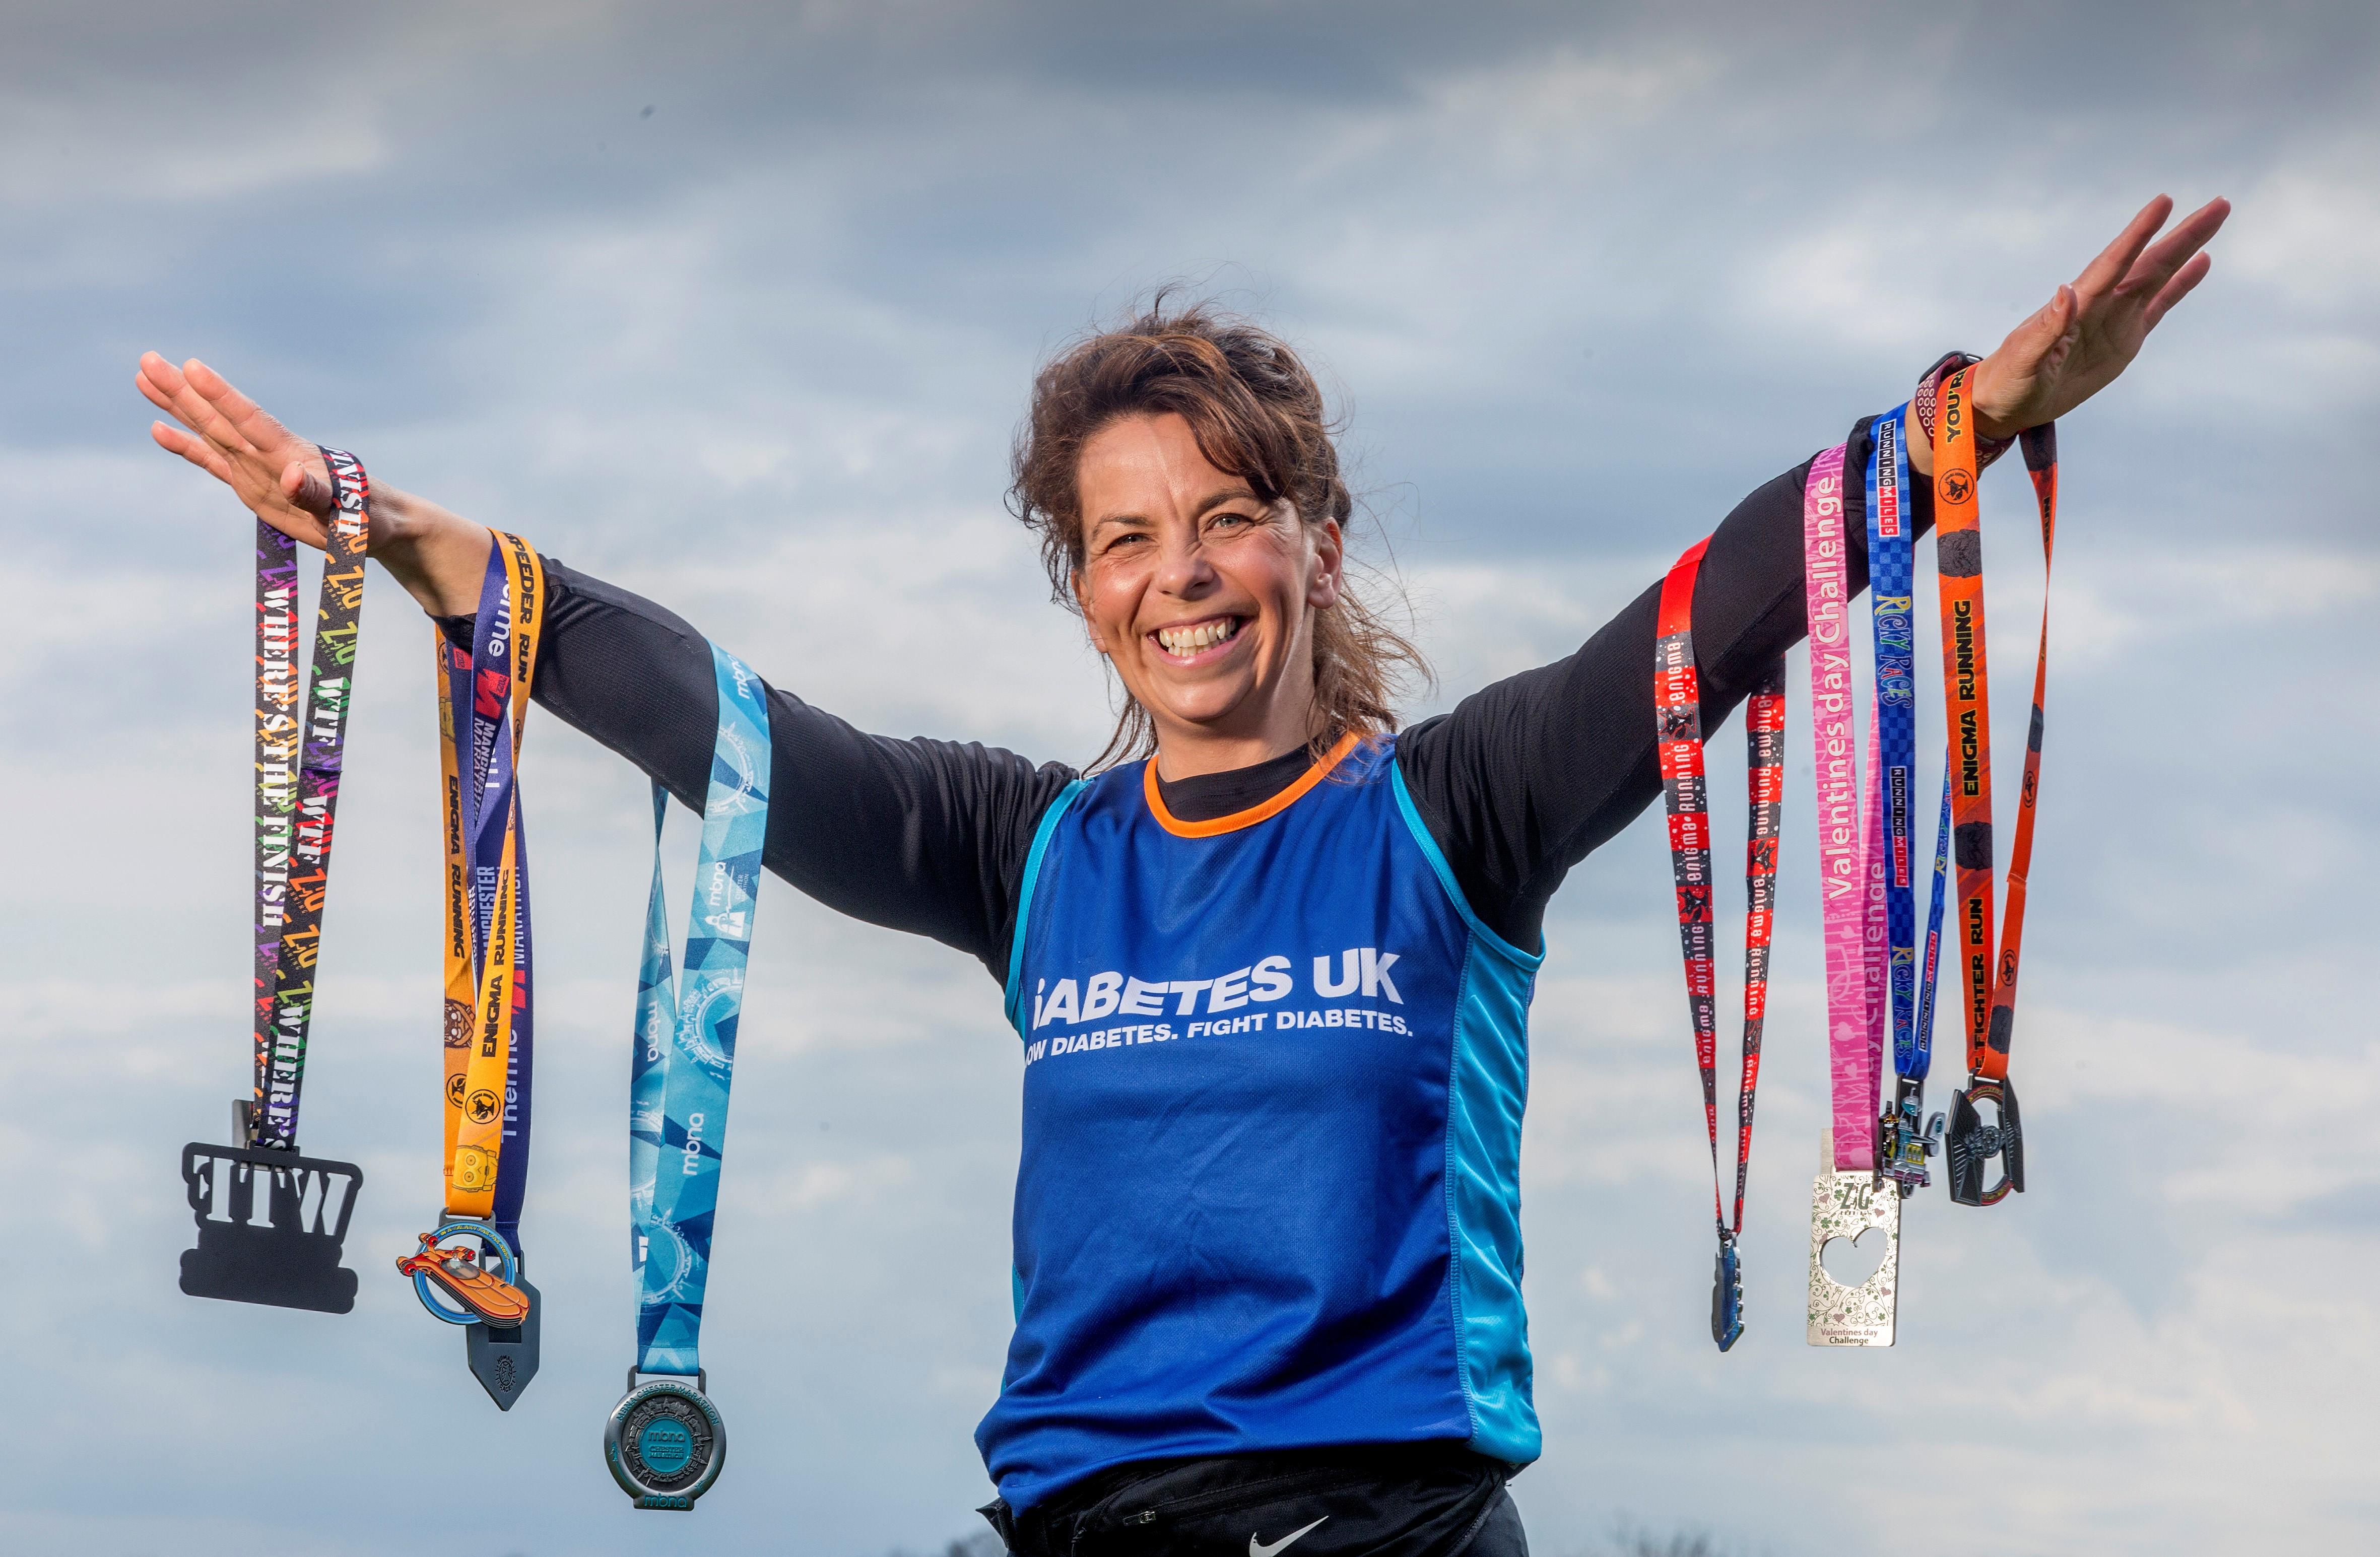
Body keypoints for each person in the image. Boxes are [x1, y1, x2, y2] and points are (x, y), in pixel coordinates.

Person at [138, 194, 2226, 1556]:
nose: (1182, 576)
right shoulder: (1024, 851)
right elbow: (725, 726)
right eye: (1125, 539)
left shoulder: (1452, 805)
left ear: (1309, 538)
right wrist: (398, 533)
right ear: (1080, 590)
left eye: (1224, 519)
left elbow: (1703, 619)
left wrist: (1965, 418)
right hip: (1065, 1519)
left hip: (1381, 1524)